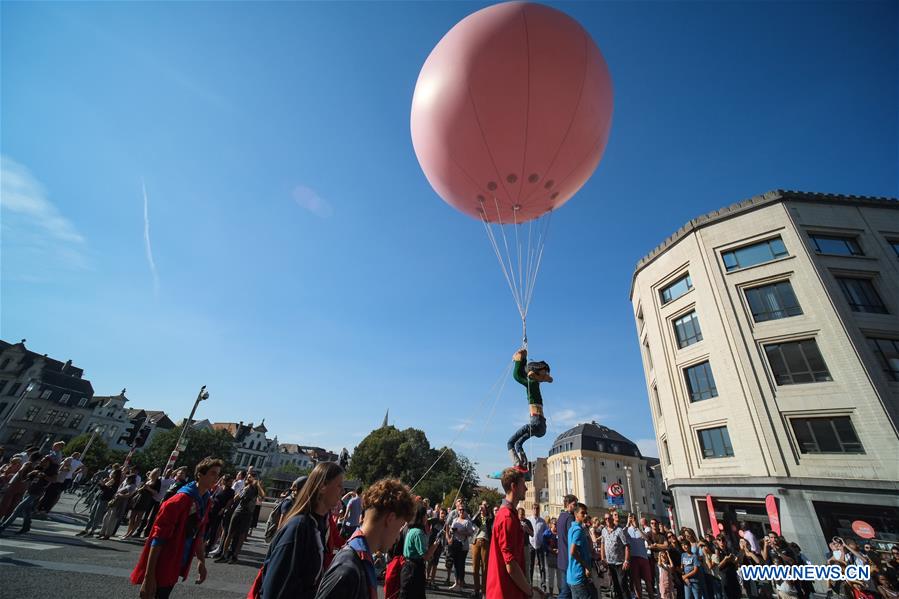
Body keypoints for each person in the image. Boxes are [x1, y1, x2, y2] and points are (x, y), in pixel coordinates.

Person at [131, 457, 222, 599]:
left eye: (218, 474)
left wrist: (201, 561)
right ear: (200, 474)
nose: (216, 478)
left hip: (178, 560)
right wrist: (148, 577)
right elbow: (157, 539)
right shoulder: (180, 500)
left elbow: (199, 533)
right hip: (164, 560)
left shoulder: (206, 500)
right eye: (212, 473)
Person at [315, 478, 415, 599]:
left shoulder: (361, 559)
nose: (398, 536)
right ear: (391, 519)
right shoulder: (348, 570)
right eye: (400, 526)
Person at [258, 462, 345, 599]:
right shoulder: (299, 527)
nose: (342, 491)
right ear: (322, 486)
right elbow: (275, 588)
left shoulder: (319, 524)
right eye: (339, 485)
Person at [486, 467, 544, 599]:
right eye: (523, 484)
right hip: (504, 591)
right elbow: (510, 564)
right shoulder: (507, 518)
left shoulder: (509, 515)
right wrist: (530, 593)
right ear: (514, 486)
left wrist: (526, 587)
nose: (526, 488)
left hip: (509, 589)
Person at [508, 348, 551, 472]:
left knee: (510, 443)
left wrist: (518, 361)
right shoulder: (535, 384)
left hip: (536, 422)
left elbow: (517, 376)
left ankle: (517, 464)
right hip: (541, 426)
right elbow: (523, 375)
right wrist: (524, 359)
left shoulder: (532, 384)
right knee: (518, 444)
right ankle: (524, 465)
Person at [215, 472, 264, 563]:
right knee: (230, 533)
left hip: (248, 513)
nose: (249, 479)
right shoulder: (245, 487)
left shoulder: (257, 489)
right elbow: (236, 498)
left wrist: (258, 485)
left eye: (252, 478)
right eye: (248, 477)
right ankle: (224, 554)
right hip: (238, 511)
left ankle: (235, 556)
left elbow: (262, 496)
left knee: (241, 535)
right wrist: (243, 490)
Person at [0, 454, 53, 535]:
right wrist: (33, 472)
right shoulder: (38, 468)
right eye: (42, 460)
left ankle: (3, 527)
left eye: (44, 461)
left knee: (18, 509)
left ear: (48, 462)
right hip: (28, 490)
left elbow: (53, 479)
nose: (42, 462)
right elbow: (28, 477)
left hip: (36, 493)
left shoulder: (50, 471)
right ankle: (26, 527)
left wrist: (43, 476)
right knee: (26, 511)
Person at [400, 504, 438, 599]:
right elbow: (425, 556)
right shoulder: (418, 532)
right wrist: (435, 545)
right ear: (421, 517)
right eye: (425, 515)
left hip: (407, 567)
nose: (427, 517)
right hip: (414, 569)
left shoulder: (411, 529)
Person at [77, 467, 123, 537]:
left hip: (105, 499)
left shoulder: (116, 483)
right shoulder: (109, 480)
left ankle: (92, 530)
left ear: (116, 474)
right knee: (92, 513)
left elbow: (110, 491)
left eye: (113, 473)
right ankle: (86, 529)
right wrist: (101, 483)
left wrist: (103, 485)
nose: (111, 473)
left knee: (97, 515)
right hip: (99, 497)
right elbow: (102, 488)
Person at [567, 503, 595, 599]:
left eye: (586, 513)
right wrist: (586, 566)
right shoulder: (578, 530)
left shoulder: (574, 528)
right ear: (576, 514)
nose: (585, 515)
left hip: (574, 576)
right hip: (578, 575)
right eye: (582, 513)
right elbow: (572, 551)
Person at [600, 512, 631, 599]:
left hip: (620, 563)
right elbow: (602, 545)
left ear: (612, 519)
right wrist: (603, 558)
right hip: (610, 563)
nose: (607, 520)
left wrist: (626, 560)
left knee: (622, 584)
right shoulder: (603, 530)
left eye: (609, 518)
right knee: (615, 585)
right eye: (606, 519)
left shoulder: (619, 530)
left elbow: (627, 545)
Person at [125, 469, 162, 538]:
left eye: (157, 473)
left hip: (146, 499)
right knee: (132, 516)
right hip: (139, 497)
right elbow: (138, 489)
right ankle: (128, 532)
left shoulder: (158, 481)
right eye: (154, 472)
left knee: (138, 517)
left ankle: (130, 533)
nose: (155, 474)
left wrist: (148, 488)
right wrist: (141, 488)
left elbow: (156, 492)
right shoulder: (148, 479)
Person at [448, 504, 476, 591]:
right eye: (460, 510)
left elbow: (471, 533)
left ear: (465, 511)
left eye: (463, 510)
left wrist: (462, 532)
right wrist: (452, 530)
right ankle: (456, 583)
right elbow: (450, 529)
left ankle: (460, 584)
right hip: (455, 544)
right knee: (455, 564)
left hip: (463, 546)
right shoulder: (455, 519)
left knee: (461, 565)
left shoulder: (467, 521)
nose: (461, 511)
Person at [204, 474, 235, 554]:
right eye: (229, 481)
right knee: (206, 527)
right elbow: (213, 497)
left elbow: (230, 502)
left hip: (219, 511)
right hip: (212, 509)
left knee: (213, 530)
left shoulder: (231, 491)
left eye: (231, 481)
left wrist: (223, 509)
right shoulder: (219, 488)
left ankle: (208, 548)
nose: (231, 483)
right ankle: (202, 544)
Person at [625, 513, 653, 599]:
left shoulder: (641, 529)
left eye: (634, 518)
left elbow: (646, 538)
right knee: (636, 582)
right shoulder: (627, 529)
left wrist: (637, 527)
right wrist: (627, 523)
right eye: (631, 518)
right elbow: (622, 534)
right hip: (633, 558)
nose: (632, 520)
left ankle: (651, 597)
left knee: (648, 581)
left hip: (643, 558)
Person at [556, 494, 579, 599]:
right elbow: (573, 538)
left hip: (562, 558)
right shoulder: (570, 518)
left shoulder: (561, 516)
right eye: (574, 504)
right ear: (568, 504)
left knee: (566, 590)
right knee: (567, 592)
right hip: (569, 560)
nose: (576, 507)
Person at [472, 501, 494, 599]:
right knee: (475, 567)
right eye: (482, 506)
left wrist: (487, 511)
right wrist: (478, 511)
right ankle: (476, 590)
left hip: (486, 542)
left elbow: (492, 518)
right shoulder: (478, 517)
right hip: (476, 541)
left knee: (485, 567)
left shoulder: (489, 518)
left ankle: (484, 591)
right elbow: (472, 520)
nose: (482, 508)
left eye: (484, 506)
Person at [529, 503, 548, 589]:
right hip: (531, 545)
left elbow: (546, 532)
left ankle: (543, 583)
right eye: (534, 509)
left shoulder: (542, 521)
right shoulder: (529, 520)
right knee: (530, 565)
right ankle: (530, 582)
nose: (536, 510)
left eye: (537, 509)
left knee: (542, 565)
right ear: (532, 509)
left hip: (540, 545)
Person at [544, 518, 559, 597]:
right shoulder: (547, 533)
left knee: (559, 576)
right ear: (550, 524)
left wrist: (559, 550)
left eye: (556, 523)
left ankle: (561, 593)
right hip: (550, 556)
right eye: (554, 523)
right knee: (551, 575)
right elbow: (544, 544)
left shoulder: (559, 533)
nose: (556, 525)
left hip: (559, 557)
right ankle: (550, 593)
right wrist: (550, 549)